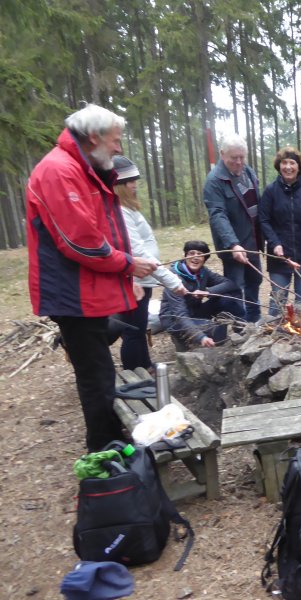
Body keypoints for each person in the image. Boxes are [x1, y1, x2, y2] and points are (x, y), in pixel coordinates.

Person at [26, 104, 158, 451]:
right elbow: (80, 243)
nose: (118, 148)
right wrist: (128, 265)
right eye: (115, 140)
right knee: (95, 376)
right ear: (94, 137)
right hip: (72, 293)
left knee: (101, 371)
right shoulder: (58, 171)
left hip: (88, 290)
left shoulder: (82, 169)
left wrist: (126, 272)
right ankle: (104, 450)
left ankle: (111, 438)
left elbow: (101, 230)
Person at [113, 155, 187, 371]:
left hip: (143, 278)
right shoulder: (121, 211)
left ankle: (144, 365)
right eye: (130, 181)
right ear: (119, 185)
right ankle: (134, 372)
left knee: (139, 325)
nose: (135, 185)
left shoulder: (128, 208)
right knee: (133, 330)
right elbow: (138, 251)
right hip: (136, 278)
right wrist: (171, 280)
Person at [259, 147, 301, 316]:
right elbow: (264, 220)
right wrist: (274, 243)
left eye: (292, 163)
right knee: (278, 301)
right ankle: (275, 329)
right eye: (284, 163)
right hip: (280, 256)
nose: (288, 167)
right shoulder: (270, 191)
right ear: (279, 166)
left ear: (299, 166)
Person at [204, 134, 263, 323]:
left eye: (241, 157)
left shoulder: (248, 172)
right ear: (222, 154)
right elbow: (217, 215)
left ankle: (254, 320)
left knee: (255, 281)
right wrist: (233, 244)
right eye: (234, 158)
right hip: (234, 247)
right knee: (236, 287)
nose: (238, 162)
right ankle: (240, 327)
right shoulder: (214, 180)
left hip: (252, 242)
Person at [159, 240, 246, 349]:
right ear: (185, 256)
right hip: (175, 319)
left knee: (229, 298)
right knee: (217, 330)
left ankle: (242, 331)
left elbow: (230, 284)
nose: (195, 257)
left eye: (200, 254)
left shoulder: (203, 272)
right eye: (191, 253)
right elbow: (180, 315)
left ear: (205, 259)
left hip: (195, 311)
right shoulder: (173, 279)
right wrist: (201, 337)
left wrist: (209, 292)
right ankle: (181, 338)